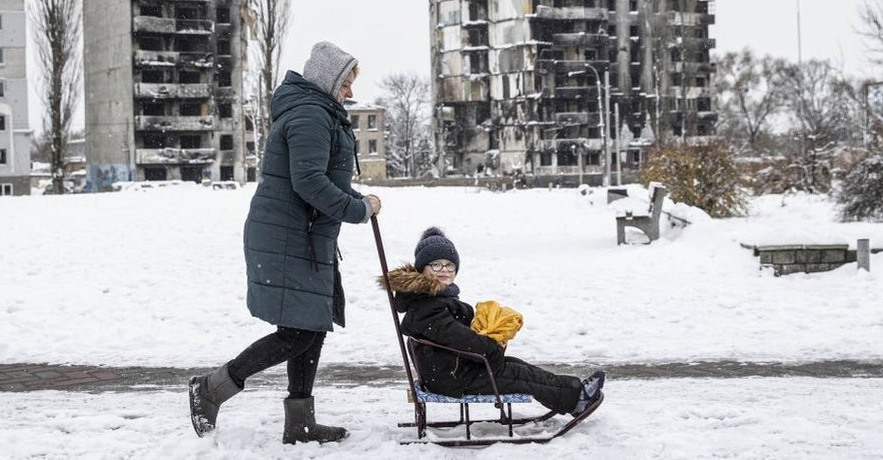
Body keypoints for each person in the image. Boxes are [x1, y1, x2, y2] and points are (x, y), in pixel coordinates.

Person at [189, 41, 382, 444]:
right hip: (289, 235)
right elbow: (309, 182)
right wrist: (359, 208)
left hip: (302, 233)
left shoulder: (318, 110)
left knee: (311, 325)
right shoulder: (312, 113)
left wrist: (351, 201)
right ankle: (211, 389)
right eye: (345, 83)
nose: (349, 92)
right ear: (328, 79)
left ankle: (300, 422)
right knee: (298, 332)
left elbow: (318, 176)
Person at [385, 227, 605, 417]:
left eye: (449, 265)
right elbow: (457, 337)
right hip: (453, 378)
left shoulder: (431, 298)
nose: (444, 271)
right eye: (436, 265)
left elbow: (456, 334)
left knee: (515, 365)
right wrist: (490, 348)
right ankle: (576, 398)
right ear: (422, 268)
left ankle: (569, 393)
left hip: (453, 369)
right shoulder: (427, 305)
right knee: (515, 374)